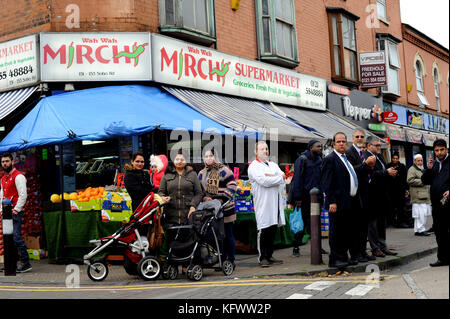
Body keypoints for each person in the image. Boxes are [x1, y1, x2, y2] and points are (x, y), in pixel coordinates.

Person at [321, 132, 361, 269]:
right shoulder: (330, 159)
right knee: (336, 232)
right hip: (336, 203)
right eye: (339, 142)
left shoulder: (345, 158)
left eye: (344, 141)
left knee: (346, 231)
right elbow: (327, 182)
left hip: (348, 202)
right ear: (333, 144)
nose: (342, 144)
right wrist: (331, 201)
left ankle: (343, 256)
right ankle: (335, 259)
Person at [248, 141, 286, 267]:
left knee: (272, 229)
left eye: (266, 148)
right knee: (264, 229)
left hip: (275, 202)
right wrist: (278, 178)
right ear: (256, 152)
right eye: (262, 149)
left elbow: (282, 175)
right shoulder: (254, 166)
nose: (265, 151)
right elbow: (264, 181)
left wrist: (276, 178)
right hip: (263, 203)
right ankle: (262, 257)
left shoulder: (273, 165)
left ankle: (269, 255)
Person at [198, 149, 237, 268]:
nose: (209, 158)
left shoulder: (224, 171)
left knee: (227, 235)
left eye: (211, 156)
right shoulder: (201, 173)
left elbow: (232, 186)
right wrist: (205, 199)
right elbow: (200, 190)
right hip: (210, 210)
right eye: (206, 156)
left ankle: (231, 260)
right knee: (217, 237)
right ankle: (221, 259)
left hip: (225, 209)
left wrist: (220, 198)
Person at [158, 151, 203, 251]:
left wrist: (193, 206)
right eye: (177, 159)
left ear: (186, 161)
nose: (179, 161)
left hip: (187, 214)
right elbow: (160, 192)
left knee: (186, 241)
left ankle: (185, 266)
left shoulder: (192, 174)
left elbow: (199, 193)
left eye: (182, 159)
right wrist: (163, 197)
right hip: (171, 214)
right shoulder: (167, 175)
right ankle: (173, 265)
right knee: (172, 241)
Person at [345, 129, 377, 262]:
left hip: (365, 195)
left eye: (362, 137)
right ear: (352, 138)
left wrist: (369, 166)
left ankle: (363, 252)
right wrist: (366, 164)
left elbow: (367, 172)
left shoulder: (362, 153)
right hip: (355, 197)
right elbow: (351, 172)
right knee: (355, 227)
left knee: (364, 226)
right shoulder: (349, 153)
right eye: (357, 137)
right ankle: (355, 254)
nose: (359, 139)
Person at [291, 139, 327, 257]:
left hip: (317, 197)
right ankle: (296, 246)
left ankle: (318, 247)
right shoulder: (302, 160)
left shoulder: (319, 160)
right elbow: (297, 180)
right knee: (303, 223)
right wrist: (297, 198)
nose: (320, 148)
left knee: (316, 221)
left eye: (321, 146)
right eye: (318, 146)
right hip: (304, 198)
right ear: (311, 148)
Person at [364, 136, 398, 258]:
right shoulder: (367, 157)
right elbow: (370, 174)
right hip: (372, 195)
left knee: (381, 223)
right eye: (376, 145)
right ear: (369, 146)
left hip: (383, 195)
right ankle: (375, 248)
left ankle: (383, 246)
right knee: (372, 223)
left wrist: (391, 173)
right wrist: (386, 172)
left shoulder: (380, 156)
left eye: (379, 145)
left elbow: (384, 172)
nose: (379, 147)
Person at [0, 153, 32, 273]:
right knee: (8, 239)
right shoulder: (3, 178)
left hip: (14, 211)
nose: (5, 163)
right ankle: (10, 263)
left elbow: (23, 195)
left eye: (7, 161)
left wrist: (16, 209)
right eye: (3, 162)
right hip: (6, 212)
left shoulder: (19, 177)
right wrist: (1, 210)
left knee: (16, 237)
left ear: (13, 162)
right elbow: (2, 195)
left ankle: (26, 262)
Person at [422, 139, 449, 267]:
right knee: (439, 231)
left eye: (441, 150)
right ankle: (442, 258)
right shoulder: (434, 164)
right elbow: (425, 181)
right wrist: (429, 169)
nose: (439, 153)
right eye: (437, 150)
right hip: (437, 204)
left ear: (446, 149)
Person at [124, 152, 153, 236]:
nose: (140, 164)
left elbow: (150, 188)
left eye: (142, 162)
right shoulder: (129, 175)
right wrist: (151, 192)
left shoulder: (145, 174)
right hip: (138, 208)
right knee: (140, 230)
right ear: (132, 161)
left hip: (149, 207)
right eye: (137, 161)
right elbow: (139, 191)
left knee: (149, 231)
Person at [407, 154, 431, 236]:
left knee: (419, 214)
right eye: (418, 161)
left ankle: (418, 230)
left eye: (421, 160)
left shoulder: (421, 169)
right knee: (421, 214)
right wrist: (423, 181)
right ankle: (421, 230)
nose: (420, 162)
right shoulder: (412, 169)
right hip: (418, 195)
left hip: (423, 195)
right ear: (415, 161)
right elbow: (409, 180)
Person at [386, 153, 409, 228]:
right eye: (394, 158)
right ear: (392, 159)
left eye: (396, 158)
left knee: (401, 207)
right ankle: (392, 222)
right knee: (391, 207)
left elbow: (405, 179)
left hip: (400, 190)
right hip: (391, 190)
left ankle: (400, 222)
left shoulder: (402, 166)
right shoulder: (388, 166)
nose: (395, 160)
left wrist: (407, 190)